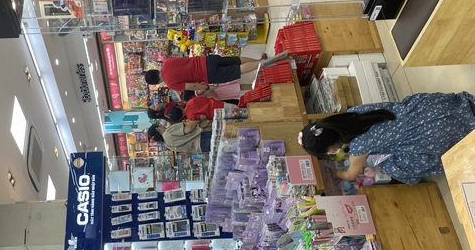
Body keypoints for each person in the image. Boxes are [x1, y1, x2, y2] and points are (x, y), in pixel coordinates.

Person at [298, 91, 475, 185]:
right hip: (426, 108)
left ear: (331, 150)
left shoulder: (358, 149)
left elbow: (351, 175)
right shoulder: (352, 112)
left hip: (432, 133)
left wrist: (335, 173)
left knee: (389, 166)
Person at [144, 54, 264, 93]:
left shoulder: (171, 84)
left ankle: (262, 63)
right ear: (154, 70)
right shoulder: (167, 62)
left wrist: (206, 87)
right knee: (236, 60)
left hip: (207, 74)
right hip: (205, 60)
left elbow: (193, 86)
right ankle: (260, 60)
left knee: (237, 70)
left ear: (156, 83)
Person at [169, 95, 248, 122]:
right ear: (178, 107)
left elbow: (203, 117)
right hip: (218, 104)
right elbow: (203, 97)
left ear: (180, 118)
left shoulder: (190, 116)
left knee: (238, 116)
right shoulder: (190, 102)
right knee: (238, 108)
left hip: (217, 114)